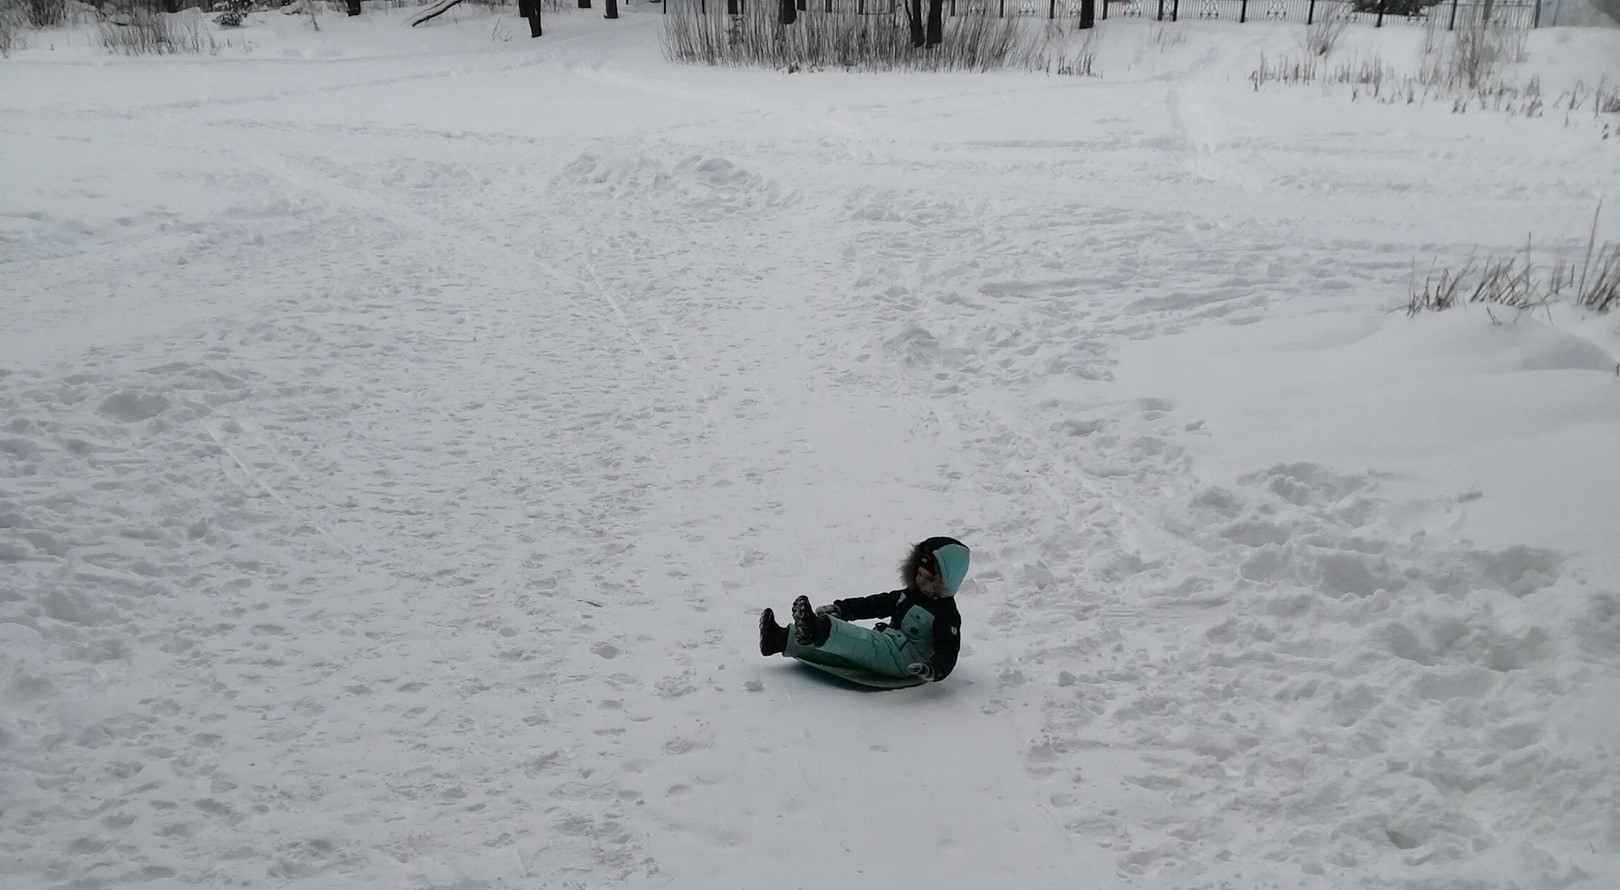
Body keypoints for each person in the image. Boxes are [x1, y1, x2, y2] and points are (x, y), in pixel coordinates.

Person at [758, 536, 970, 683]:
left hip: (905, 662)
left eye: (929, 578)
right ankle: (779, 638)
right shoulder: (910, 595)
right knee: (842, 652)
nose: (920, 581)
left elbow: (948, 650)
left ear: (946, 582)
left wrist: (934, 668)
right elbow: (874, 604)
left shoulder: (946, 614)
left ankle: (819, 629)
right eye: (919, 574)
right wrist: (842, 609)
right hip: (888, 645)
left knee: (859, 640)